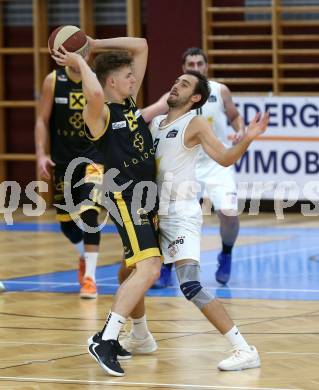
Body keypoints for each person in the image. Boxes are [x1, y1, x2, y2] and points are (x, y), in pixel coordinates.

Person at [119, 70, 269, 371]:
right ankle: (140, 335)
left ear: (196, 97)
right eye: (176, 81)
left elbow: (225, 158)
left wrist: (248, 138)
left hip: (181, 215)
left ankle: (244, 349)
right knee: (129, 274)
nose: (176, 85)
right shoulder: (158, 123)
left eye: (184, 84)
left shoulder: (195, 123)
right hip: (155, 212)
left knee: (190, 285)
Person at [51, 37, 162, 377]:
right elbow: (95, 93)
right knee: (151, 268)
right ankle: (105, 338)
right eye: (128, 75)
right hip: (126, 198)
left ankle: (138, 334)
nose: (135, 78)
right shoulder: (98, 113)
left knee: (133, 270)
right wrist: (78, 61)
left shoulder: (128, 102)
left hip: (148, 197)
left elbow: (142, 45)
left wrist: (95, 44)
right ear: (111, 80)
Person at [151, 47, 245, 288]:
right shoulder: (173, 96)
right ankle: (166, 265)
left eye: (199, 64)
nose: (195, 67)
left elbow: (234, 115)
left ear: (206, 66)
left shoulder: (220, 90)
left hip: (215, 162)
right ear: (184, 68)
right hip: (186, 161)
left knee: (230, 215)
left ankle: (226, 252)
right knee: (171, 215)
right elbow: (150, 116)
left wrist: (241, 132)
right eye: (190, 64)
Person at [35, 30, 113, 299]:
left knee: (90, 214)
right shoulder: (53, 81)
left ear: (85, 53)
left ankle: (90, 279)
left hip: (94, 158)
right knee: (67, 224)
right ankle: (84, 256)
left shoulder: (96, 82)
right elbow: (41, 121)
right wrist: (41, 155)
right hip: (64, 161)